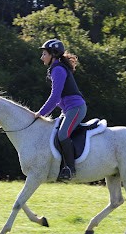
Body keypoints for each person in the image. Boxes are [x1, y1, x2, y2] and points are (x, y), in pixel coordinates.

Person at [34, 39, 87, 180]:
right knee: (55, 133)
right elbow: (57, 98)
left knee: (63, 135)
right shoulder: (55, 69)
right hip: (68, 110)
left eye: (44, 54)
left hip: (76, 108)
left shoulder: (57, 70)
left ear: (53, 55)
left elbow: (55, 96)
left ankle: (70, 169)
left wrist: (40, 113)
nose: (42, 57)